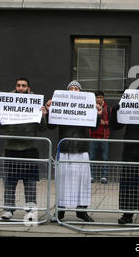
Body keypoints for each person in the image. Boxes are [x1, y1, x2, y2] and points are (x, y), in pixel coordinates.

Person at [0, 77, 47, 221]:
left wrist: (43, 115)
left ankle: (30, 211)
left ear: (29, 88)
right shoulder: (6, 101)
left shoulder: (35, 102)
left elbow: (43, 128)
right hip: (11, 148)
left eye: (24, 85)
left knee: (30, 183)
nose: (20, 88)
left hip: (29, 149)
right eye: (18, 85)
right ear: (15, 87)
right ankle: (8, 210)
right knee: (9, 182)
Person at [46, 80, 101, 222]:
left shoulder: (87, 107)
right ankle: (60, 211)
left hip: (81, 149)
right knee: (62, 181)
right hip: (64, 149)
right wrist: (49, 111)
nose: (74, 90)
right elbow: (51, 126)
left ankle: (81, 211)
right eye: (72, 88)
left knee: (83, 182)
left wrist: (98, 114)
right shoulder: (61, 104)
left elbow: (94, 127)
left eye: (77, 88)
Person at [89, 90, 112, 184]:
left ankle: (104, 176)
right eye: (97, 97)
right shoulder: (90, 107)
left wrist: (105, 122)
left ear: (103, 98)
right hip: (93, 136)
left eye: (100, 97)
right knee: (91, 157)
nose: (99, 99)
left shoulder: (108, 108)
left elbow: (112, 122)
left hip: (104, 136)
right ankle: (91, 176)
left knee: (105, 157)